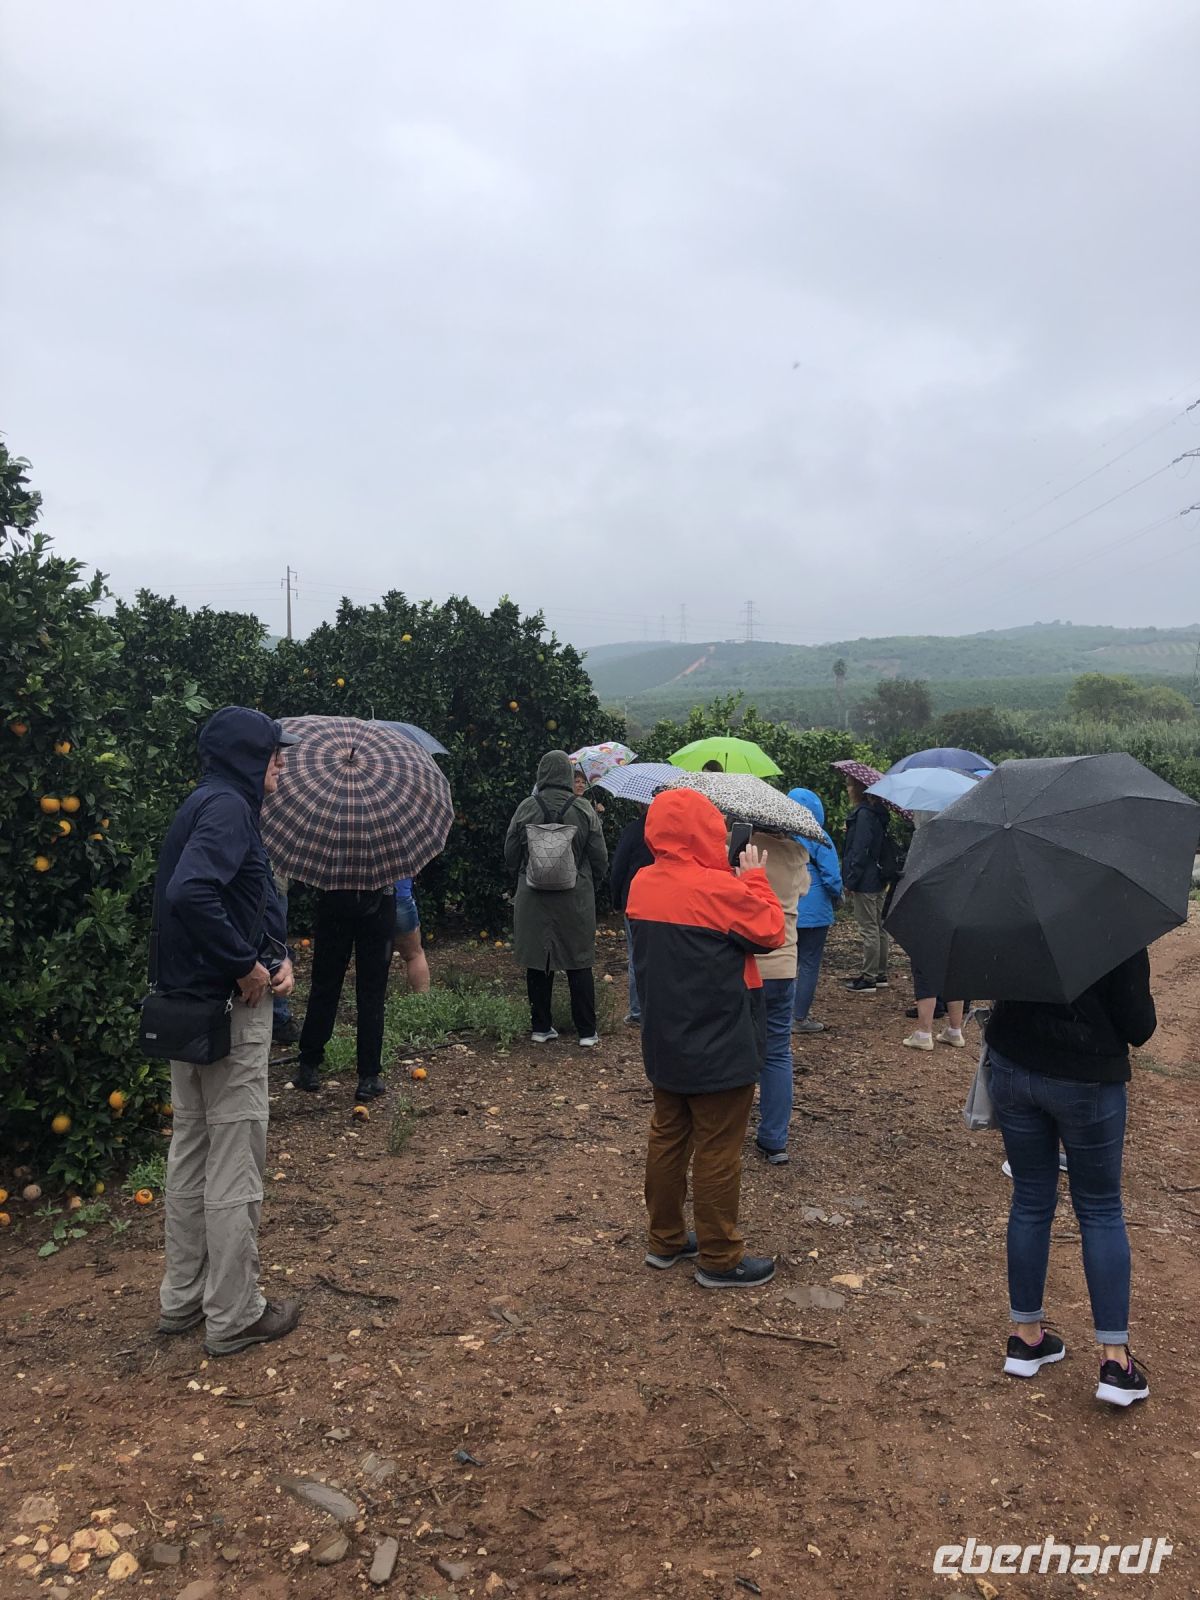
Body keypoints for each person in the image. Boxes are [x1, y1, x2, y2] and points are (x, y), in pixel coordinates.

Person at [154, 706, 301, 1358]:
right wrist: (246, 965)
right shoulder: (230, 811)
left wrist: (272, 952)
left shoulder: (205, 803)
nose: (280, 764)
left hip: (186, 1008)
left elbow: (224, 897)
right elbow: (192, 893)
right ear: (249, 756)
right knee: (235, 1157)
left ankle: (182, 1299)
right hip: (227, 1011)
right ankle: (235, 1312)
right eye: (274, 753)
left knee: (191, 1151)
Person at [628, 788, 785, 1287]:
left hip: (665, 1038)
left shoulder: (642, 883)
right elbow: (770, 931)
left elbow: (694, 910)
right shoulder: (721, 891)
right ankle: (720, 1256)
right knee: (718, 1147)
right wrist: (754, 877)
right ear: (707, 834)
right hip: (720, 1039)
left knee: (668, 1135)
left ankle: (665, 1239)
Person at [986, 949, 1157, 1407]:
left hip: (1013, 1065)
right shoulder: (1115, 924)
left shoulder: (1010, 905)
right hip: (1087, 1077)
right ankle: (1114, 1363)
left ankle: (1026, 1338)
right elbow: (1140, 1027)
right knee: (1100, 1209)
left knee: (1030, 1198)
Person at [504, 750, 608, 1046]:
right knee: (579, 961)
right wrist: (590, 883)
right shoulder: (584, 808)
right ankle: (587, 1032)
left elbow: (510, 852)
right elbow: (600, 857)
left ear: (542, 773)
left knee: (538, 961)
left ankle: (541, 1027)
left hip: (533, 896)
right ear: (566, 774)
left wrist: (523, 874)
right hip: (576, 896)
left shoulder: (527, 806)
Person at [293, 886, 397, 1100]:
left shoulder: (331, 853)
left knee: (324, 985)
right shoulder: (384, 854)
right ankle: (368, 1076)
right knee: (372, 993)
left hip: (334, 902)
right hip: (379, 905)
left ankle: (309, 1064)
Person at [750, 828, 810, 1165]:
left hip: (746, 965)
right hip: (784, 964)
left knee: (738, 1048)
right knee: (777, 1052)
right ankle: (774, 1139)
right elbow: (803, 890)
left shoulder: (737, 845)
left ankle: (727, 1127)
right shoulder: (795, 853)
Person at [788, 788, 842, 1034]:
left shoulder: (781, 835)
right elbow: (831, 876)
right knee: (809, 963)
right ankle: (799, 1018)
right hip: (815, 908)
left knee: (788, 961)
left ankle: (781, 1012)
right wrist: (837, 896)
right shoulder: (819, 836)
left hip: (787, 905)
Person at [840, 775, 891, 993]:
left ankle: (869, 977)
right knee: (879, 926)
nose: (848, 789)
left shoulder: (863, 815)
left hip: (865, 879)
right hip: (878, 877)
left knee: (868, 927)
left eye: (850, 785)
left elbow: (859, 851)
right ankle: (880, 973)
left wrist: (850, 880)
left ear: (858, 790)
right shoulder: (879, 814)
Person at [610, 807, 654, 1025]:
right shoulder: (672, 832)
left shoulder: (633, 830)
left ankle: (638, 1010)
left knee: (636, 954)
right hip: (666, 900)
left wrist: (616, 900)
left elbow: (618, 867)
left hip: (635, 900)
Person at [270, 866, 299, 1044]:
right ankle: (279, 1019)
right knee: (275, 946)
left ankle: (279, 1018)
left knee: (276, 946)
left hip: (276, 881)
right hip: (270, 882)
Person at [393, 876, 431, 993]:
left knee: (371, 957)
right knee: (414, 955)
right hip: (400, 898)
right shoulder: (403, 857)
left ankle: (371, 1009)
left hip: (367, 901)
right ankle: (422, 1005)